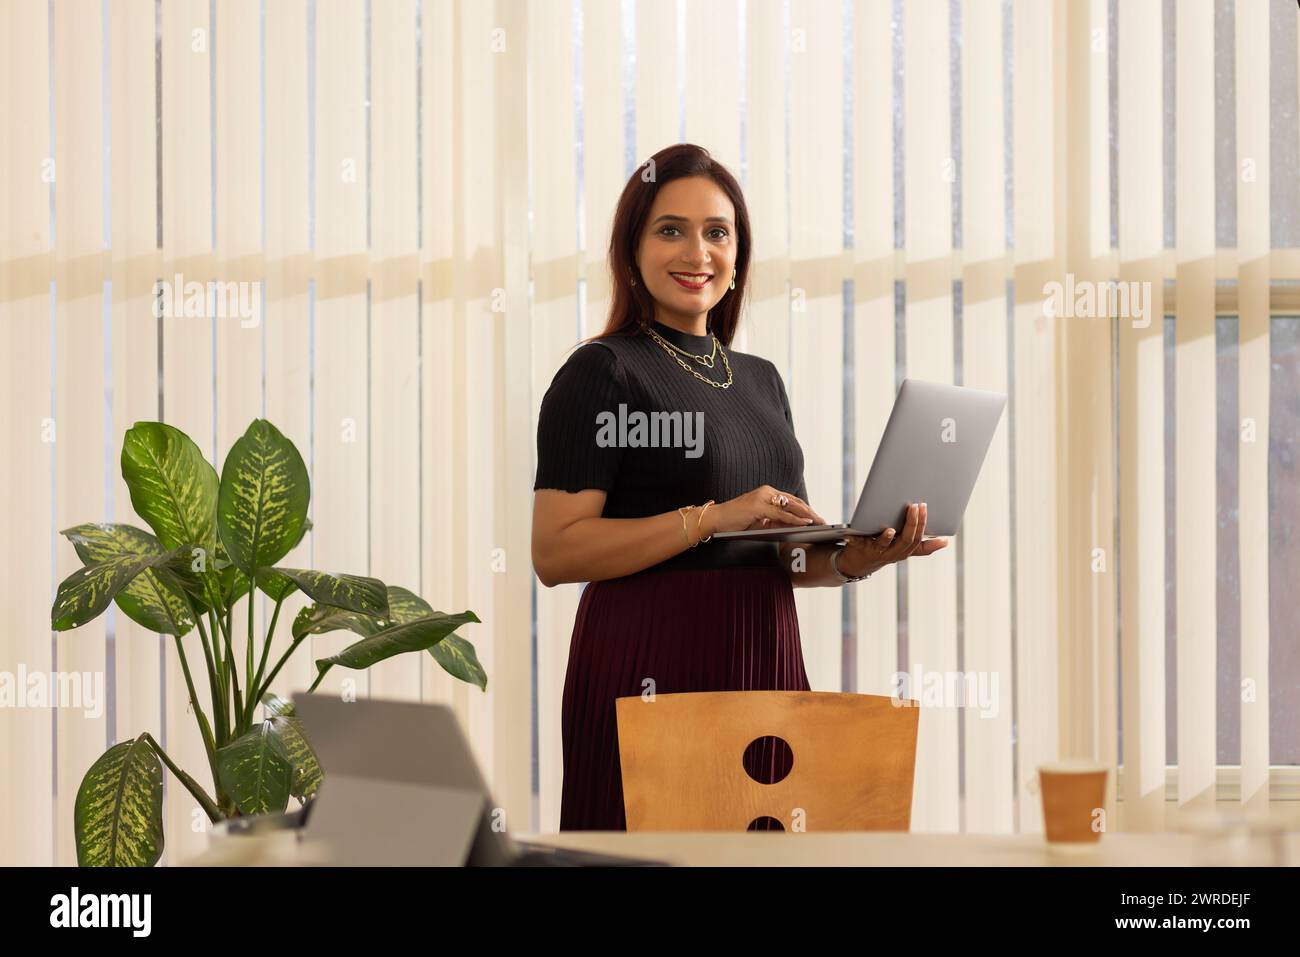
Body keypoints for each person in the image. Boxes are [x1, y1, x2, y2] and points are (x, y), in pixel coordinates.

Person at [530, 143, 946, 831]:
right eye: (671, 229)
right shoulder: (601, 373)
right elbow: (556, 552)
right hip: (648, 661)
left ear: (737, 253)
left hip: (764, 654)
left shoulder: (760, 380)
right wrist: (709, 518)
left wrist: (853, 556)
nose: (697, 251)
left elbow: (781, 551)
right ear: (631, 250)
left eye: (717, 232)